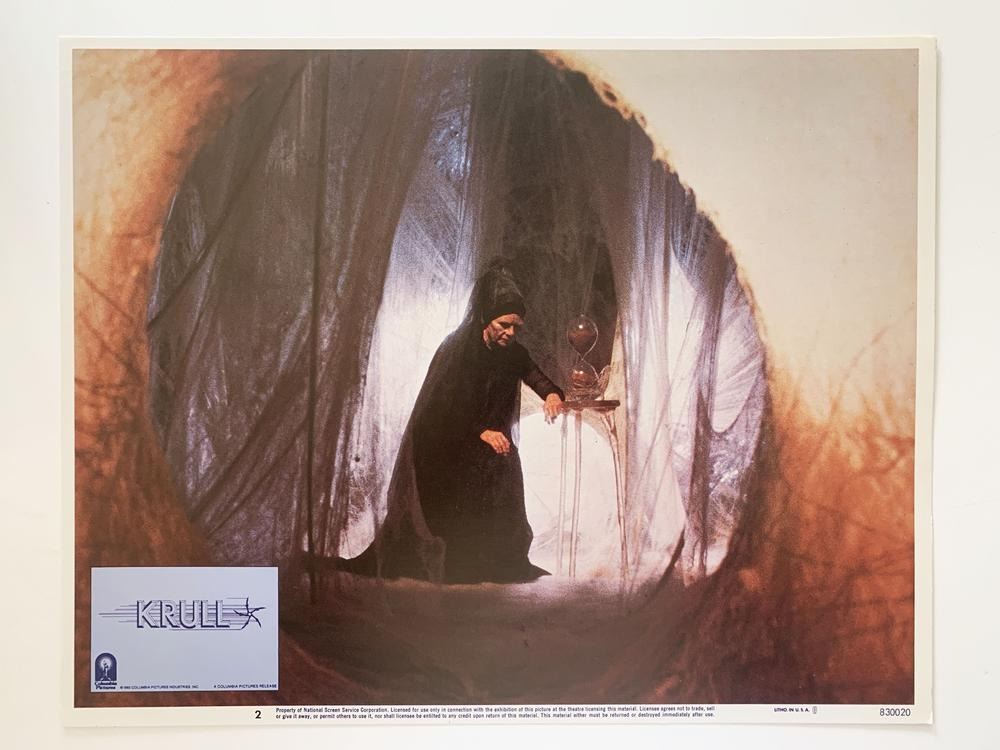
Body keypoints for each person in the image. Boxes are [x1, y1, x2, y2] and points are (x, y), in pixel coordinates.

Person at [337, 260, 563, 583]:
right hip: (447, 443)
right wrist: (481, 431)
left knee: (504, 462)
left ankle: (488, 560)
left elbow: (536, 376)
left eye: (517, 327)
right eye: (504, 324)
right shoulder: (458, 350)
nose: (511, 333)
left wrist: (552, 394)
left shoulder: (514, 352)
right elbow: (441, 409)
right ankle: (456, 561)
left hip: (486, 442)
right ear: (486, 318)